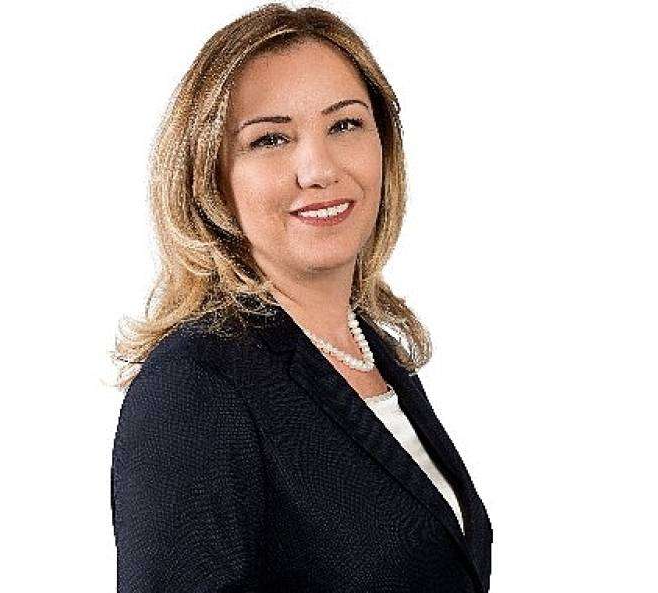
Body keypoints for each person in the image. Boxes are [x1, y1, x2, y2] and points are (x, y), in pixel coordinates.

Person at [110, 4, 493, 591]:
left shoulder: (374, 352)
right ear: (209, 175)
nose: (318, 170)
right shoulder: (193, 390)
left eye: (345, 125)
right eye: (270, 139)